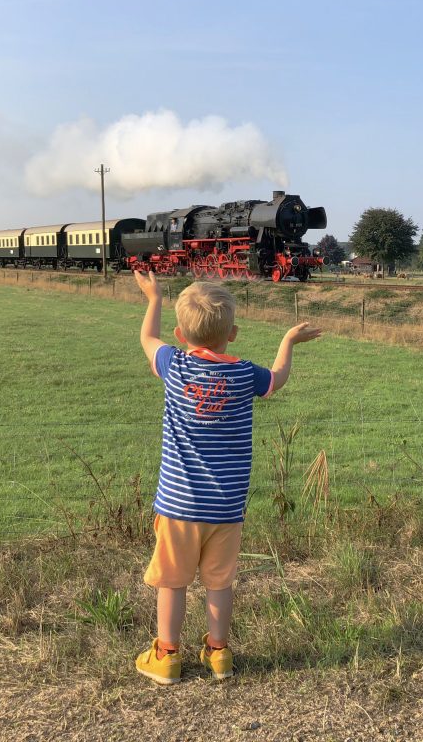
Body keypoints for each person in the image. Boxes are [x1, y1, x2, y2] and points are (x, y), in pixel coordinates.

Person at [132, 271, 321, 684]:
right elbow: (278, 378)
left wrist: (154, 298)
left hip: (179, 506)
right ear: (232, 333)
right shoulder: (244, 374)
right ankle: (219, 655)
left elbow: (147, 339)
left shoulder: (175, 364)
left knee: (173, 581)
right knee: (220, 582)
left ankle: (166, 656)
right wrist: (288, 341)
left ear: (181, 334)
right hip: (226, 508)